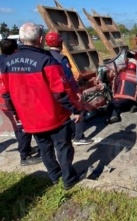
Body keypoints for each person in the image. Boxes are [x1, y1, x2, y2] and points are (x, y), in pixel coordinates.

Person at [0, 23, 84, 189]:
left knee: (44, 149)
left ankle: (54, 176)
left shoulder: (7, 63)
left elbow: (5, 93)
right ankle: (69, 179)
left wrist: (17, 113)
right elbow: (61, 92)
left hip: (29, 119)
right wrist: (76, 109)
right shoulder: (47, 60)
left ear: (21, 39)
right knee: (63, 147)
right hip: (54, 117)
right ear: (40, 39)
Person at [45, 32, 94, 146]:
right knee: (79, 110)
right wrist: (76, 92)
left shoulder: (45, 56)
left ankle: (70, 133)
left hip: (52, 92)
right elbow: (69, 78)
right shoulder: (62, 58)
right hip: (64, 90)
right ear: (60, 43)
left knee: (63, 113)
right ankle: (79, 137)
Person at [0, 38, 42, 166]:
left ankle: (26, 149)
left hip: (5, 101)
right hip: (11, 101)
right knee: (23, 128)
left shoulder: (3, 60)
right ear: (16, 49)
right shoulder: (12, 63)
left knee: (19, 126)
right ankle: (24, 156)